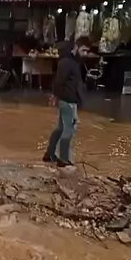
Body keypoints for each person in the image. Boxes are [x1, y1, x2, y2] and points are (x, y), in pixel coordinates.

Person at [44, 36, 90, 167]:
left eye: (87, 51)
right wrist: (55, 96)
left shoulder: (74, 62)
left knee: (60, 128)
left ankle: (50, 154)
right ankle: (63, 159)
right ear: (76, 47)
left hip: (69, 99)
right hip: (67, 101)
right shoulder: (67, 62)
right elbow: (59, 81)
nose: (85, 54)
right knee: (68, 130)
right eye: (84, 50)